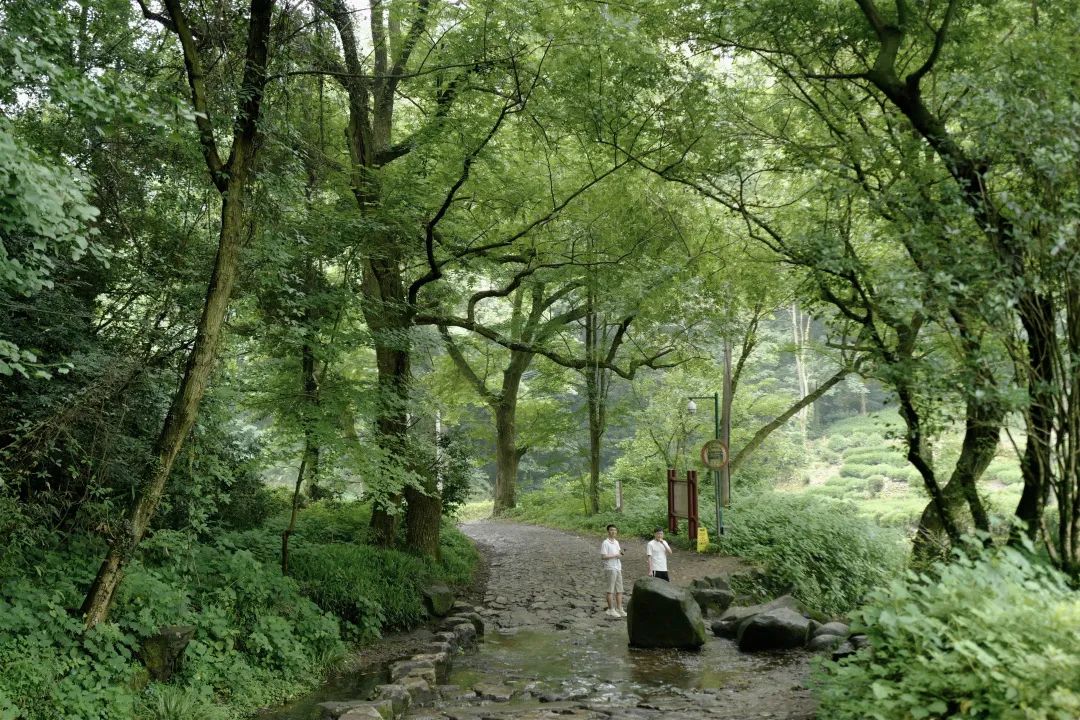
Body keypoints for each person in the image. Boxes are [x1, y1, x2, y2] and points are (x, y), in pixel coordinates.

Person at [600, 524, 626, 617]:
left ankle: (620, 609)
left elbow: (618, 553)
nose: (613, 532)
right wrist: (615, 555)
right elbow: (603, 556)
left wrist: (620, 554)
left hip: (618, 567)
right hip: (610, 568)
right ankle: (611, 609)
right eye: (611, 530)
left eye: (615, 530)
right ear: (608, 531)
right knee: (610, 590)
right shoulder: (605, 543)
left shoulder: (616, 542)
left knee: (620, 590)